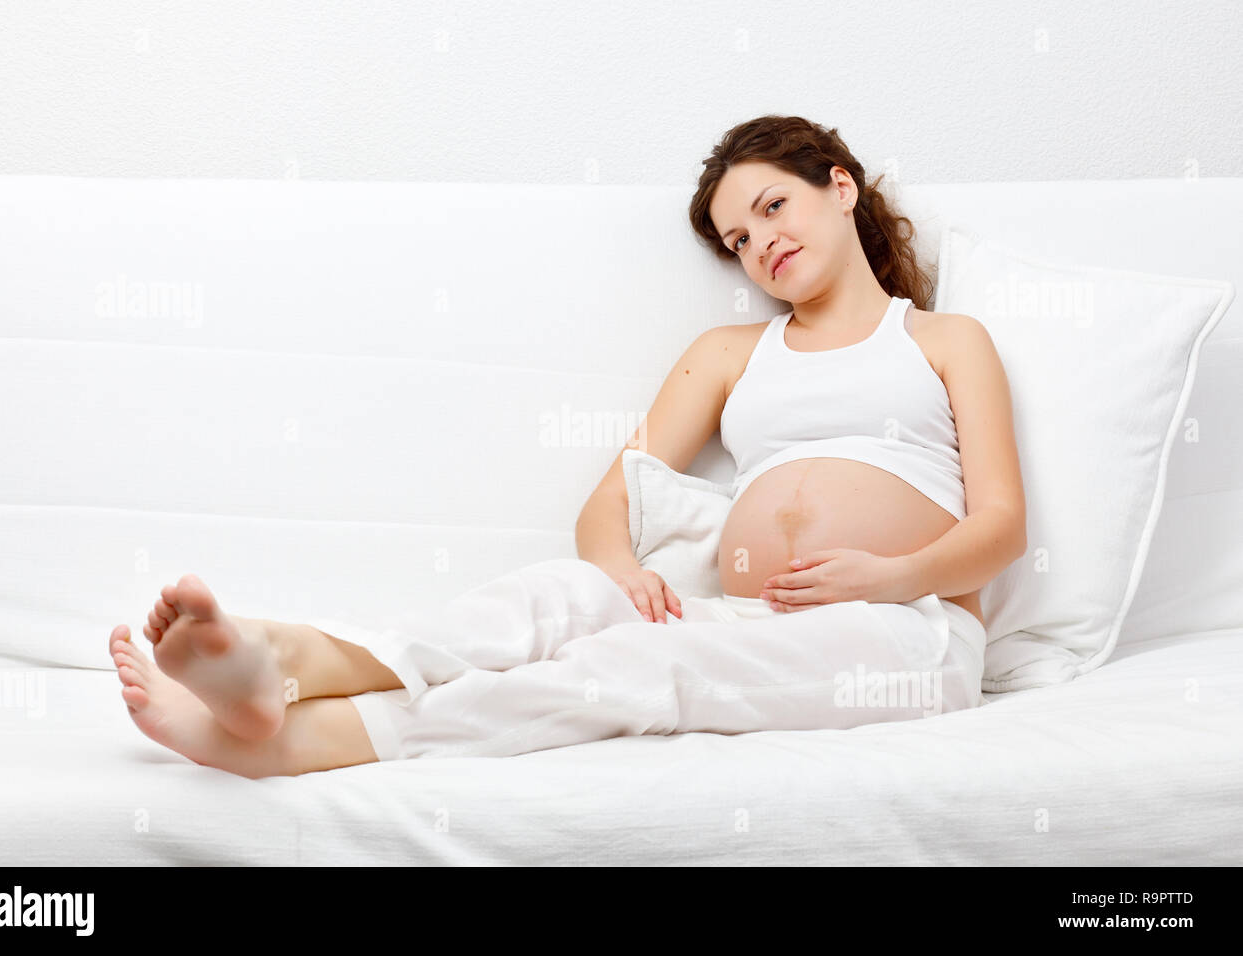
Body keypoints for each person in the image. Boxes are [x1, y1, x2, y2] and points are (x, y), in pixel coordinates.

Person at [108, 115, 1027, 778]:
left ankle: (305, 740)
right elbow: (609, 504)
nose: (760, 245)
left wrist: (888, 576)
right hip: (751, 619)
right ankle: (285, 659)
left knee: (639, 667)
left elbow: (1001, 528)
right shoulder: (729, 355)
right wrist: (617, 571)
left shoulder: (945, 341)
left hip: (903, 634)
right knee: (560, 595)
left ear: (840, 185)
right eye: (739, 239)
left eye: (773, 207)